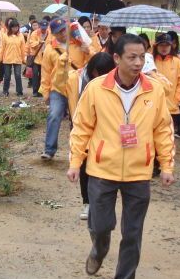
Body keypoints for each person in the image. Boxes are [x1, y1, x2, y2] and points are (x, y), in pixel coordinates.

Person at [67, 34, 175, 279]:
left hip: (139, 172)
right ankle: (99, 248)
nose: (138, 63)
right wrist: (76, 161)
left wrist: (166, 165)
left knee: (133, 232)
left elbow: (163, 129)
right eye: (132, 57)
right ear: (116, 58)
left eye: (142, 57)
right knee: (101, 225)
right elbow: (82, 127)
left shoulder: (154, 90)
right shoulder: (96, 89)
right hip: (102, 168)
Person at [66, 52, 117, 221]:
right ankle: (87, 203)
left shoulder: (117, 83)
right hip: (82, 128)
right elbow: (59, 86)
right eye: (97, 73)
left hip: (106, 132)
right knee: (84, 166)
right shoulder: (76, 79)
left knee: (104, 169)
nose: (99, 78)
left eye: (104, 74)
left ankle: (102, 204)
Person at [40, 19, 73, 160]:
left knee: (77, 119)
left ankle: (77, 150)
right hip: (57, 89)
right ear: (53, 34)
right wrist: (46, 92)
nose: (63, 33)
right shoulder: (49, 49)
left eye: (64, 29)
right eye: (60, 31)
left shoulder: (76, 43)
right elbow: (46, 72)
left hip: (75, 88)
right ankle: (49, 149)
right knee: (54, 115)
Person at [153, 33, 180, 137]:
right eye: (161, 45)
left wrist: (178, 98)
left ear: (171, 46)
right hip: (153, 104)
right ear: (156, 46)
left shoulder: (177, 61)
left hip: (171, 106)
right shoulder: (151, 61)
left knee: (167, 135)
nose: (164, 48)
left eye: (167, 45)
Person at [1, 20, 26, 97]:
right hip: (7, 58)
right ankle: (5, 91)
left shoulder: (21, 36)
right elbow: (2, 47)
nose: (15, 29)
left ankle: (19, 91)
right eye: (14, 27)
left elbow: (23, 48)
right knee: (7, 76)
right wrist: (0, 58)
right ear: (10, 27)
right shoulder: (5, 36)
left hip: (17, 58)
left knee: (18, 75)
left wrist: (24, 59)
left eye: (17, 27)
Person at [28, 20, 50, 98]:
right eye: (42, 28)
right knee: (35, 75)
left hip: (45, 57)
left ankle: (40, 92)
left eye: (45, 28)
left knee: (42, 76)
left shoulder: (50, 33)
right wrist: (38, 42)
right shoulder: (34, 33)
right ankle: (35, 91)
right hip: (36, 57)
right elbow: (31, 44)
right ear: (40, 27)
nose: (43, 30)